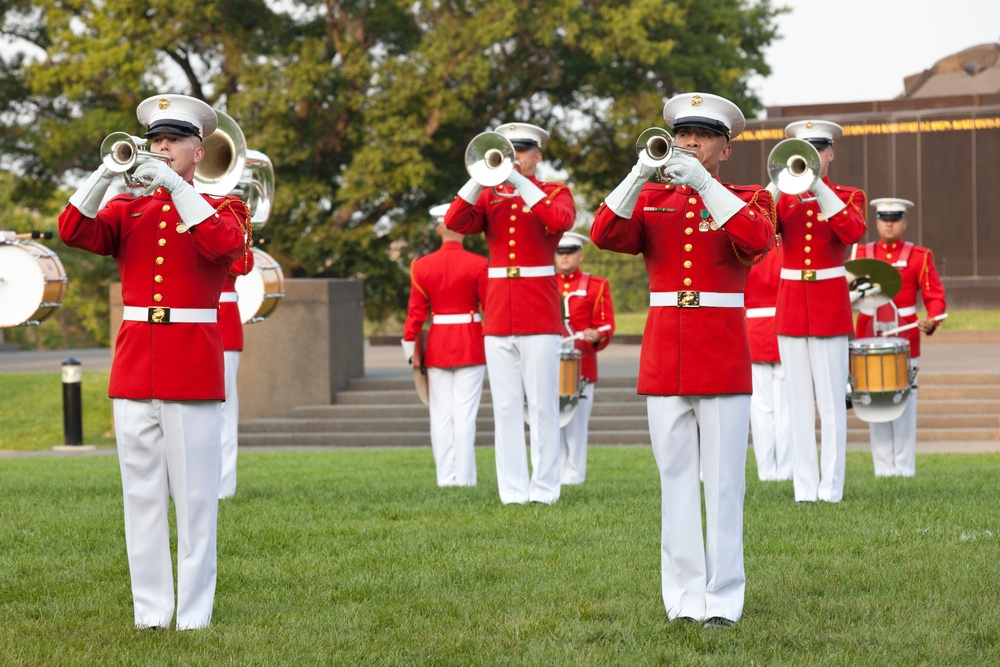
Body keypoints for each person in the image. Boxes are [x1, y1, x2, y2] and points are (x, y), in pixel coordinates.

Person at [58, 94, 251, 630]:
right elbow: (72, 229)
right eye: (155, 141)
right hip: (136, 364)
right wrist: (106, 172)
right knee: (140, 497)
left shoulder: (225, 208)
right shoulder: (127, 208)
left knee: (194, 504)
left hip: (191, 367)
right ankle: (150, 613)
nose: (161, 148)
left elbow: (226, 248)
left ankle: (192, 615)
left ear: (198, 151)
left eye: (173, 141)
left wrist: (175, 187)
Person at [591, 92, 774, 628]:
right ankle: (682, 596)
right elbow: (604, 233)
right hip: (664, 353)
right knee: (674, 479)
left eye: (703, 134)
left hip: (719, 352)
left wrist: (701, 183)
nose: (689, 141)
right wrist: (637, 173)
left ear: (725, 147)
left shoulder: (748, 196)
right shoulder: (650, 197)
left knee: (722, 484)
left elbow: (758, 239)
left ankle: (723, 599)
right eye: (683, 133)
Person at [445, 122, 576, 505]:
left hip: (538, 309)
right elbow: (454, 221)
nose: (515, 158)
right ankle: (513, 491)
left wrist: (520, 183)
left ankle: (546, 489)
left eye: (522, 151)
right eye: (509, 150)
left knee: (542, 405)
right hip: (500, 311)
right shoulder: (489, 195)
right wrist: (477, 177)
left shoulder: (553, 191)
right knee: (504, 406)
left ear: (537, 156)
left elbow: (560, 221)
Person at [771, 120, 867, 504]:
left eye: (818, 150)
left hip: (828, 303)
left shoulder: (847, 194)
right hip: (792, 301)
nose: (810, 157)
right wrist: (777, 182)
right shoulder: (782, 196)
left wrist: (819, 187)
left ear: (830, 153)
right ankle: (804, 487)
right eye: (803, 151)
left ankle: (831, 487)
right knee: (797, 402)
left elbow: (853, 231)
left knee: (830, 403)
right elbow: (757, 230)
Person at [853, 198, 946, 476]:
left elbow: (935, 296)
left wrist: (932, 320)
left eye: (895, 218)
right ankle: (883, 470)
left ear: (904, 222)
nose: (889, 223)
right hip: (869, 336)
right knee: (874, 402)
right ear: (877, 222)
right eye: (884, 218)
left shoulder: (920, 255)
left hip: (905, 339)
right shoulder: (861, 253)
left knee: (904, 405)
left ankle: (904, 469)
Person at [402, 203, 489, 486]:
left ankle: (445, 478)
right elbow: (490, 306)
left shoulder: (421, 266)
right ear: (464, 230)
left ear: (439, 229)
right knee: (465, 416)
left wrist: (409, 346)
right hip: (471, 342)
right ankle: (465, 479)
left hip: (438, 344)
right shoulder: (480, 264)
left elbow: (416, 313)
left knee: (440, 415)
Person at [553, 230, 615, 484]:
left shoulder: (596, 285)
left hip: (582, 361)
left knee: (577, 424)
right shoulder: (545, 282)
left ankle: (574, 476)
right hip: (549, 359)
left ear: (580, 255)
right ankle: (554, 473)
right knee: (551, 422)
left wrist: (595, 334)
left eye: (569, 252)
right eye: (560, 252)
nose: (564, 257)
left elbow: (606, 324)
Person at [744, 239, 793, 481]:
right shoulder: (789, 249)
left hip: (753, 329)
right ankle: (785, 470)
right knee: (785, 408)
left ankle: (766, 471)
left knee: (760, 408)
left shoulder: (747, 250)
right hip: (784, 328)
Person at [219, 250, 254, 499]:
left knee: (224, 412)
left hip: (222, 324)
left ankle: (223, 486)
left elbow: (243, 263)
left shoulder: (226, 211)